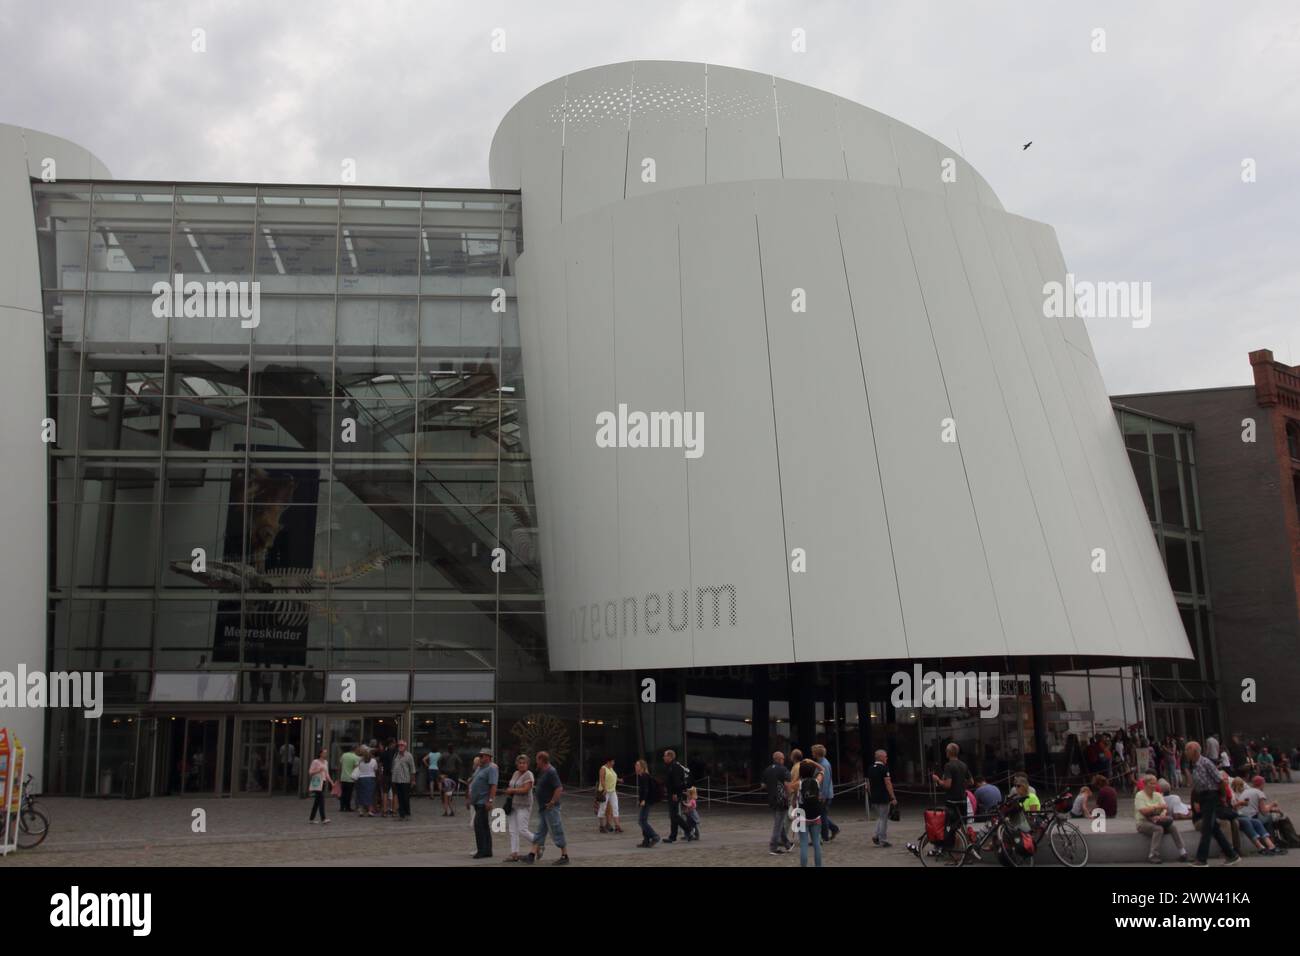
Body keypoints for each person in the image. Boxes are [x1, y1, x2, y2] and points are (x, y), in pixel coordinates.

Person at [1186, 741, 1241, 866]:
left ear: (1194, 751)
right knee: (1214, 828)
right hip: (1203, 797)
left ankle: (1201, 859)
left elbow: (1219, 780)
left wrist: (1221, 796)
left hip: (1211, 795)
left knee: (1207, 828)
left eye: (1187, 750)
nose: (1186, 753)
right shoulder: (1193, 764)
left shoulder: (1205, 762)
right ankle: (1232, 855)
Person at [527, 750, 569, 865]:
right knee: (540, 831)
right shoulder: (543, 771)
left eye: (537, 760)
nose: (536, 762)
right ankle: (531, 854)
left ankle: (565, 855)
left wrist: (552, 802)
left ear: (541, 760)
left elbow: (559, 788)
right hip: (543, 808)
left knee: (556, 829)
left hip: (550, 808)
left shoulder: (551, 771)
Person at [1134, 773, 1187, 864]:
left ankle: (1183, 852)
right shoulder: (1140, 795)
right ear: (1145, 784)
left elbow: (1164, 807)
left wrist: (1161, 815)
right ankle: (1153, 855)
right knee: (1158, 829)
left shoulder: (1158, 795)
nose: (1154, 786)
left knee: (1172, 826)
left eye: (1155, 783)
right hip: (1143, 822)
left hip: (1158, 819)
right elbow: (1143, 811)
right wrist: (1157, 807)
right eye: (1151, 783)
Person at [930, 742, 970, 847]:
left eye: (946, 751)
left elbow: (947, 785)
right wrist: (960, 785)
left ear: (949, 752)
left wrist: (938, 780)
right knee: (962, 826)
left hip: (952, 801)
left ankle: (956, 855)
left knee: (951, 827)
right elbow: (971, 781)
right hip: (963, 799)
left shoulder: (948, 766)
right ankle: (965, 851)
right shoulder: (964, 765)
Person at [1231, 776, 1284, 855]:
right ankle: (1271, 842)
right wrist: (1273, 805)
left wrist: (1272, 809)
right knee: (1269, 817)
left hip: (1244, 815)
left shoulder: (1246, 791)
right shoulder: (1259, 793)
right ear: (1262, 784)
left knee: (1257, 821)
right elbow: (1264, 811)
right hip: (1245, 817)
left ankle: (1271, 845)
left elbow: (1258, 808)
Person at [503, 753, 535, 862]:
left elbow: (526, 789)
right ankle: (514, 853)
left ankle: (538, 842)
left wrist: (512, 790)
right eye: (520, 763)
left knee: (522, 829)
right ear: (517, 764)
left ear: (527, 764)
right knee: (513, 830)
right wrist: (509, 790)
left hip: (524, 805)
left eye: (524, 763)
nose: (522, 765)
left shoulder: (528, 775)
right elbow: (511, 785)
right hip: (513, 804)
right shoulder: (515, 773)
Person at [468, 747, 498, 859]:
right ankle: (487, 850)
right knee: (484, 826)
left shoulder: (492, 768)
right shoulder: (480, 767)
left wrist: (490, 800)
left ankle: (481, 850)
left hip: (483, 801)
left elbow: (493, 785)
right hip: (476, 801)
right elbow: (474, 781)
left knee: (478, 825)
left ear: (488, 757)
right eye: (480, 755)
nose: (480, 757)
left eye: (482, 756)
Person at [796, 758, 825, 868]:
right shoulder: (816, 782)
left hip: (802, 817)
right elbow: (822, 769)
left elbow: (791, 793)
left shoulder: (798, 784)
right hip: (815, 816)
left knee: (803, 844)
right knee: (817, 843)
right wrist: (812, 762)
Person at [763, 751, 793, 855]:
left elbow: (763, 785)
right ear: (779, 759)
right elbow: (788, 785)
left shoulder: (767, 770)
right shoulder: (784, 770)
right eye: (783, 759)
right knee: (778, 825)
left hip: (772, 800)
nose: (783, 761)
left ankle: (787, 844)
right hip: (782, 800)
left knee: (779, 823)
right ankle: (773, 847)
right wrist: (790, 798)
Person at [868, 750, 898, 847]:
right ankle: (882, 839)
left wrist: (870, 794)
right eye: (885, 756)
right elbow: (888, 783)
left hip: (874, 797)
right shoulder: (884, 768)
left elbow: (868, 784)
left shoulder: (871, 768)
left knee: (880, 817)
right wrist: (892, 797)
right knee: (884, 819)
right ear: (880, 757)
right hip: (883, 796)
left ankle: (876, 835)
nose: (886, 758)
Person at [811, 744, 839, 843]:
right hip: (823, 793)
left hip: (824, 794)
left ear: (816, 753)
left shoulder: (823, 765)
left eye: (813, 752)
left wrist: (822, 795)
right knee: (822, 814)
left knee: (821, 815)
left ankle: (824, 836)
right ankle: (833, 828)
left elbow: (825, 781)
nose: (812, 753)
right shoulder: (821, 763)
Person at [662, 749, 690, 843]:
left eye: (665, 756)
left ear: (670, 757)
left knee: (674, 815)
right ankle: (673, 836)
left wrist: (675, 793)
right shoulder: (670, 766)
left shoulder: (675, 767)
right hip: (671, 793)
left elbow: (677, 782)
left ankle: (688, 829)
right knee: (673, 815)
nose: (664, 757)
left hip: (675, 794)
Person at [635, 758, 661, 848]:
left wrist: (643, 800)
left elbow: (646, 789)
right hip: (645, 800)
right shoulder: (641, 775)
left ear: (642, 767)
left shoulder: (644, 776)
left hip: (647, 801)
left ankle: (655, 836)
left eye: (637, 765)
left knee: (642, 821)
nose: (635, 766)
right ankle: (646, 840)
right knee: (643, 820)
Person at [390, 739, 416, 820]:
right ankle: (402, 814)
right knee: (400, 797)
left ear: (405, 746)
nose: (400, 746)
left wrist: (413, 780)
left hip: (405, 780)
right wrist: (393, 779)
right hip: (397, 780)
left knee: (405, 797)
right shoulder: (396, 755)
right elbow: (393, 767)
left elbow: (412, 769)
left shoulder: (409, 756)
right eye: (399, 745)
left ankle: (406, 812)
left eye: (402, 745)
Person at [307, 748, 333, 824]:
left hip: (323, 782)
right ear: (320, 753)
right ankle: (323, 818)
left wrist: (331, 782)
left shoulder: (326, 762)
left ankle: (311, 819)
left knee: (317, 801)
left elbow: (327, 773)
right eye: (324, 752)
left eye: (326, 753)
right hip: (317, 782)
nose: (325, 754)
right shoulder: (315, 761)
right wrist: (318, 770)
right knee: (321, 800)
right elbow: (310, 772)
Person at [597, 757, 622, 834]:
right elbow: (602, 779)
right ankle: (601, 826)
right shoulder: (603, 768)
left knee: (615, 807)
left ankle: (617, 826)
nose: (613, 763)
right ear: (608, 762)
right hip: (605, 792)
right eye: (612, 762)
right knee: (603, 808)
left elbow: (613, 777)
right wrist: (604, 789)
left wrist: (619, 780)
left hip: (612, 791)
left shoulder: (611, 769)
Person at [354, 746, 378, 817]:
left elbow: (357, 768)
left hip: (361, 779)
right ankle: (370, 811)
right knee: (370, 795)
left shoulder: (360, 761)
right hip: (370, 778)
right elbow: (375, 769)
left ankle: (361, 810)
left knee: (361, 794)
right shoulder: (373, 761)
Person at [338, 743, 360, 813]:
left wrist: (339, 775)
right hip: (350, 778)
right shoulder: (356, 757)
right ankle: (347, 807)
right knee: (349, 793)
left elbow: (340, 765)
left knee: (343, 793)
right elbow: (356, 768)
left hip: (343, 777)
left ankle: (341, 807)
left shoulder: (344, 755)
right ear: (356, 749)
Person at [440, 745, 460, 816]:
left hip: (446, 773)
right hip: (453, 774)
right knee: (448, 798)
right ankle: (450, 810)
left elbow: (439, 761)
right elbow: (460, 762)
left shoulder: (444, 755)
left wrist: (441, 770)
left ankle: (446, 811)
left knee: (445, 798)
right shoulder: (455, 755)